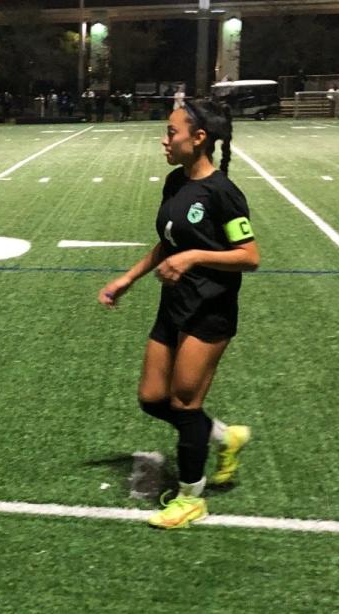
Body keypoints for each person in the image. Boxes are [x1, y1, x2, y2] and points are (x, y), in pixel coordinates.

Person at [96, 99, 260, 530]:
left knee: (185, 404)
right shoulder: (175, 182)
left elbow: (250, 256)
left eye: (171, 132)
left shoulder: (223, 193)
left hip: (210, 311)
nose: (164, 139)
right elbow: (167, 243)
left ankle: (192, 498)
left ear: (199, 138)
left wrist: (192, 258)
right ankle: (225, 436)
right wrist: (127, 279)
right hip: (173, 306)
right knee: (152, 399)